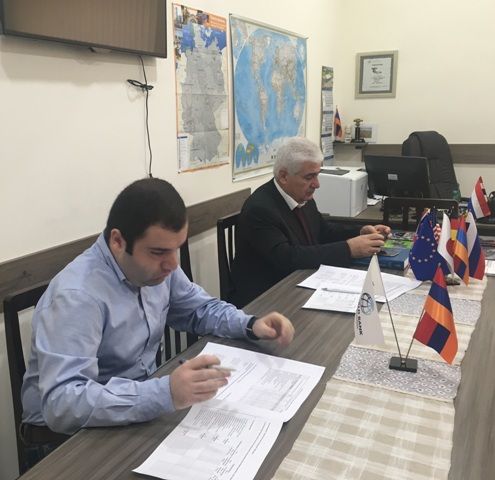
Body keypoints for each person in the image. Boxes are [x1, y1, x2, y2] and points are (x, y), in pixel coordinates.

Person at [21, 178, 294, 445]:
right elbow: (63, 403)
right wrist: (164, 392)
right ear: (118, 241)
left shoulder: (157, 269)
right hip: (66, 438)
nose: (172, 264)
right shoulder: (77, 296)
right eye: (158, 252)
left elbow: (198, 309)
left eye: (177, 249)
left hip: (136, 402)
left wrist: (250, 325)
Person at [230, 137, 391, 307]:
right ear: (284, 176)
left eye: (317, 175)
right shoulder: (260, 209)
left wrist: (359, 232)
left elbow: (323, 231)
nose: (317, 184)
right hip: (267, 298)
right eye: (309, 177)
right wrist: (348, 249)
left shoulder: (300, 197)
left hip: (301, 282)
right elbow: (287, 258)